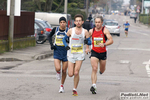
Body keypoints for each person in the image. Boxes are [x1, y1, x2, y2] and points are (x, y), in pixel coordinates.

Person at [63, 14, 91, 96]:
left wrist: (87, 43)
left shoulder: (85, 32)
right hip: (71, 54)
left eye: (80, 21)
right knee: (70, 74)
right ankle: (74, 80)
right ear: (74, 22)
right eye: (77, 21)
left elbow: (89, 41)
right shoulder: (70, 30)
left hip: (80, 54)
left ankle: (74, 89)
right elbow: (64, 39)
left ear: (82, 22)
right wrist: (66, 46)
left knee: (76, 72)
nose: (78, 22)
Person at [89, 16, 113, 94]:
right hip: (94, 52)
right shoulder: (91, 31)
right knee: (94, 68)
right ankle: (93, 85)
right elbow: (86, 39)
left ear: (102, 23)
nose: (97, 24)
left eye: (99, 22)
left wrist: (104, 44)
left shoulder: (105, 30)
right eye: (96, 22)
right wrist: (87, 47)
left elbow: (111, 40)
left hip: (103, 53)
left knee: (102, 70)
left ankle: (101, 71)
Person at [48, 17, 68, 93]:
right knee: (58, 68)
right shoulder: (55, 29)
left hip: (65, 52)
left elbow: (72, 38)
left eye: (64, 22)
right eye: (61, 22)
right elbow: (49, 36)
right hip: (57, 51)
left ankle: (62, 86)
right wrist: (51, 45)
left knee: (64, 70)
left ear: (66, 23)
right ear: (59, 23)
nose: (62, 23)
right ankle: (58, 72)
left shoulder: (68, 30)